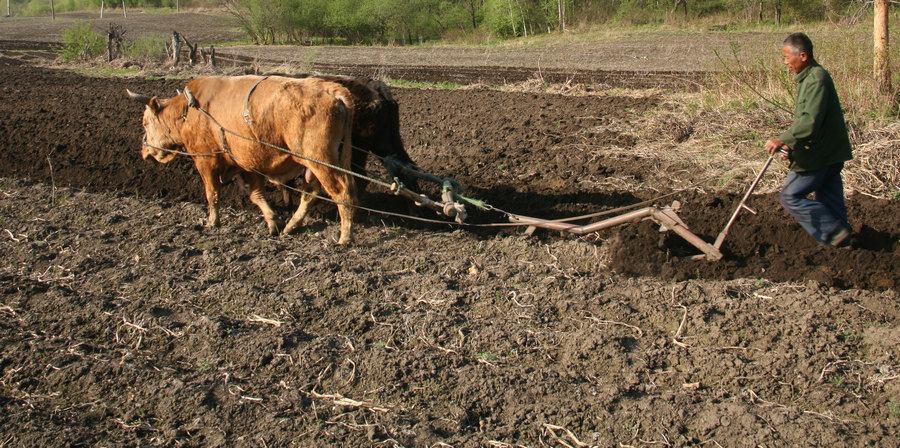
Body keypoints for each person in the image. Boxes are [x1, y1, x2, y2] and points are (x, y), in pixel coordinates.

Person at [764, 32, 853, 247]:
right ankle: (843, 243)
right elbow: (810, 122)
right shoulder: (810, 77)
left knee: (790, 196)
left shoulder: (816, 79)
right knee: (829, 197)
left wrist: (782, 139)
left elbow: (809, 122)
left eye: (787, 57)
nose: (785, 63)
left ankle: (833, 231)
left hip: (820, 153)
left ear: (802, 56)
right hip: (830, 151)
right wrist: (791, 147)